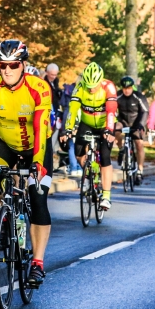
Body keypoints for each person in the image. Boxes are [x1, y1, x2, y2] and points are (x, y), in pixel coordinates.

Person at [0, 40, 53, 288]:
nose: (6, 70)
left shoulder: (39, 88)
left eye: (13, 65)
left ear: (23, 65)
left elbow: (39, 128)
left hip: (37, 146)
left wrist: (37, 164)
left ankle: (37, 263)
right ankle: (4, 218)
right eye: (3, 65)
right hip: (5, 144)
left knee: (37, 197)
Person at [62, 62, 118, 210]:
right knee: (78, 153)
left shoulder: (109, 87)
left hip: (105, 124)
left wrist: (109, 130)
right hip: (86, 123)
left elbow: (111, 110)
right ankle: (90, 174)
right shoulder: (80, 88)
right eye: (89, 85)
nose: (92, 88)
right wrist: (67, 129)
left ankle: (106, 196)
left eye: (95, 84)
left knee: (105, 156)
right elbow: (72, 110)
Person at [115, 76, 149, 184]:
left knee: (139, 144)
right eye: (124, 88)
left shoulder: (138, 96)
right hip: (123, 122)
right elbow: (111, 109)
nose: (126, 90)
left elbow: (145, 111)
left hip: (136, 122)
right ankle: (121, 149)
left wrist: (141, 124)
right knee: (115, 129)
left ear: (132, 87)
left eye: (129, 88)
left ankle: (139, 171)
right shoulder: (118, 95)